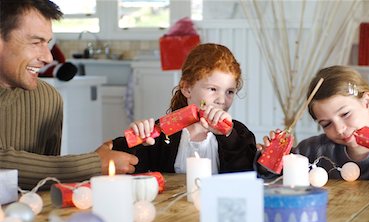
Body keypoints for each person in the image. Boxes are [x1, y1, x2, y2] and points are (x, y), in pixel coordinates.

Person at [0, 0, 138, 190]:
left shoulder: (47, 98)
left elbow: (47, 185)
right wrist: (93, 164)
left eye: (47, 43)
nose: (48, 57)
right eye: (35, 42)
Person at [112, 43, 257, 174]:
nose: (221, 100)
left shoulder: (239, 134)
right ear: (187, 88)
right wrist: (137, 141)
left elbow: (247, 175)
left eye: (229, 92)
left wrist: (229, 137)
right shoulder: (162, 133)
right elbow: (125, 167)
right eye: (213, 89)